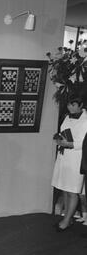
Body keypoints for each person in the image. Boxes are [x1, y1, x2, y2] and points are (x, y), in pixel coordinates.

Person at [51, 96, 87, 232]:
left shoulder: (86, 120)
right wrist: (59, 138)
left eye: (74, 105)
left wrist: (70, 144)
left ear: (81, 104)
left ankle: (66, 221)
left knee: (72, 191)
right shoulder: (67, 117)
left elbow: (84, 142)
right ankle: (68, 217)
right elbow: (64, 132)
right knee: (65, 188)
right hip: (64, 157)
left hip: (76, 159)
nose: (71, 107)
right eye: (69, 105)